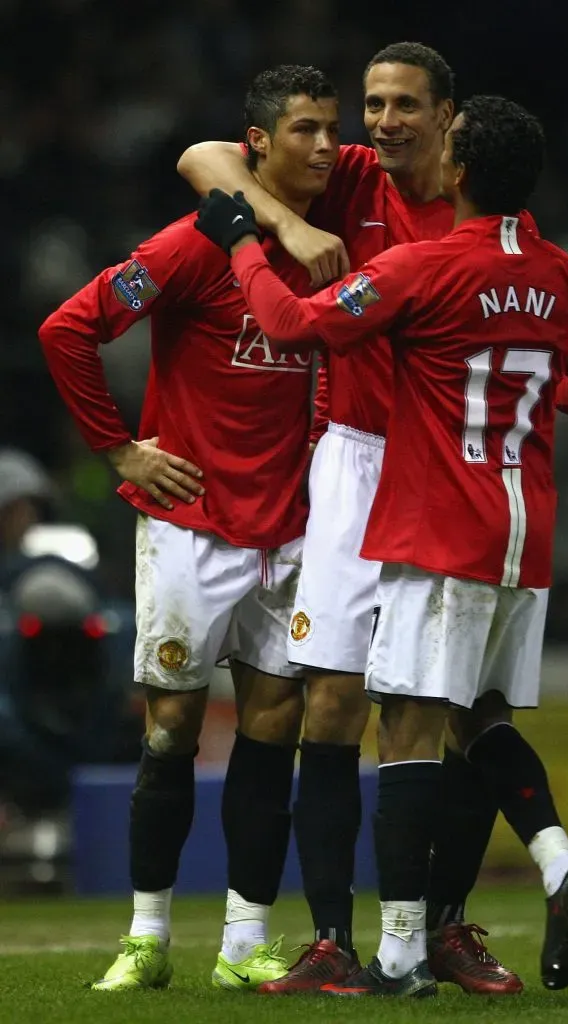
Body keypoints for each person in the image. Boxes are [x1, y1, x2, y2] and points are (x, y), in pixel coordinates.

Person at [193, 93, 568, 997]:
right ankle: (554, 867)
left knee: (408, 722)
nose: (386, 123)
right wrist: (501, 383)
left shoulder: (424, 266)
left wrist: (242, 242)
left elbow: (290, 324)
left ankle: (399, 953)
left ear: (458, 162)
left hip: (439, 515)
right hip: (528, 534)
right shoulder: (566, 275)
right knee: (484, 719)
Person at [38, 64, 342, 992]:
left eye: (332, 129)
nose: (326, 146)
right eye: (305, 130)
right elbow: (67, 329)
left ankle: (243, 945)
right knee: (170, 729)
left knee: (271, 731)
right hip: (192, 524)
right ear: (259, 145)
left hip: (291, 527)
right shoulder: (189, 247)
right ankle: (147, 936)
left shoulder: (339, 244)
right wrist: (120, 450)